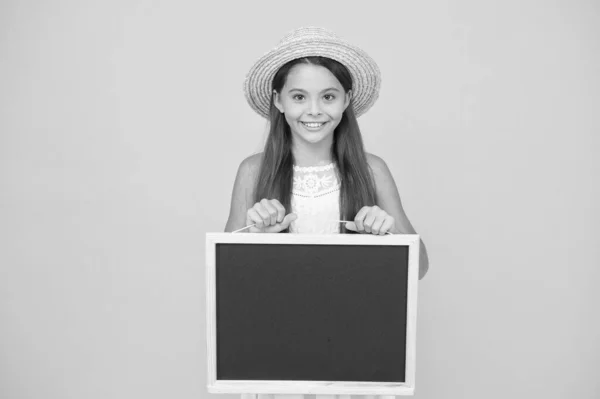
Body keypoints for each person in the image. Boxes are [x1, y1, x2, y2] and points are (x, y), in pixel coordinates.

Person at [225, 27, 429, 279]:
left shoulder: (372, 169)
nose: (314, 110)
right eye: (299, 97)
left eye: (328, 97)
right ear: (278, 100)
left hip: (354, 313)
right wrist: (254, 237)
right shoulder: (252, 170)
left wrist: (385, 238)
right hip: (274, 314)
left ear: (346, 100)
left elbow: (419, 268)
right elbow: (225, 271)